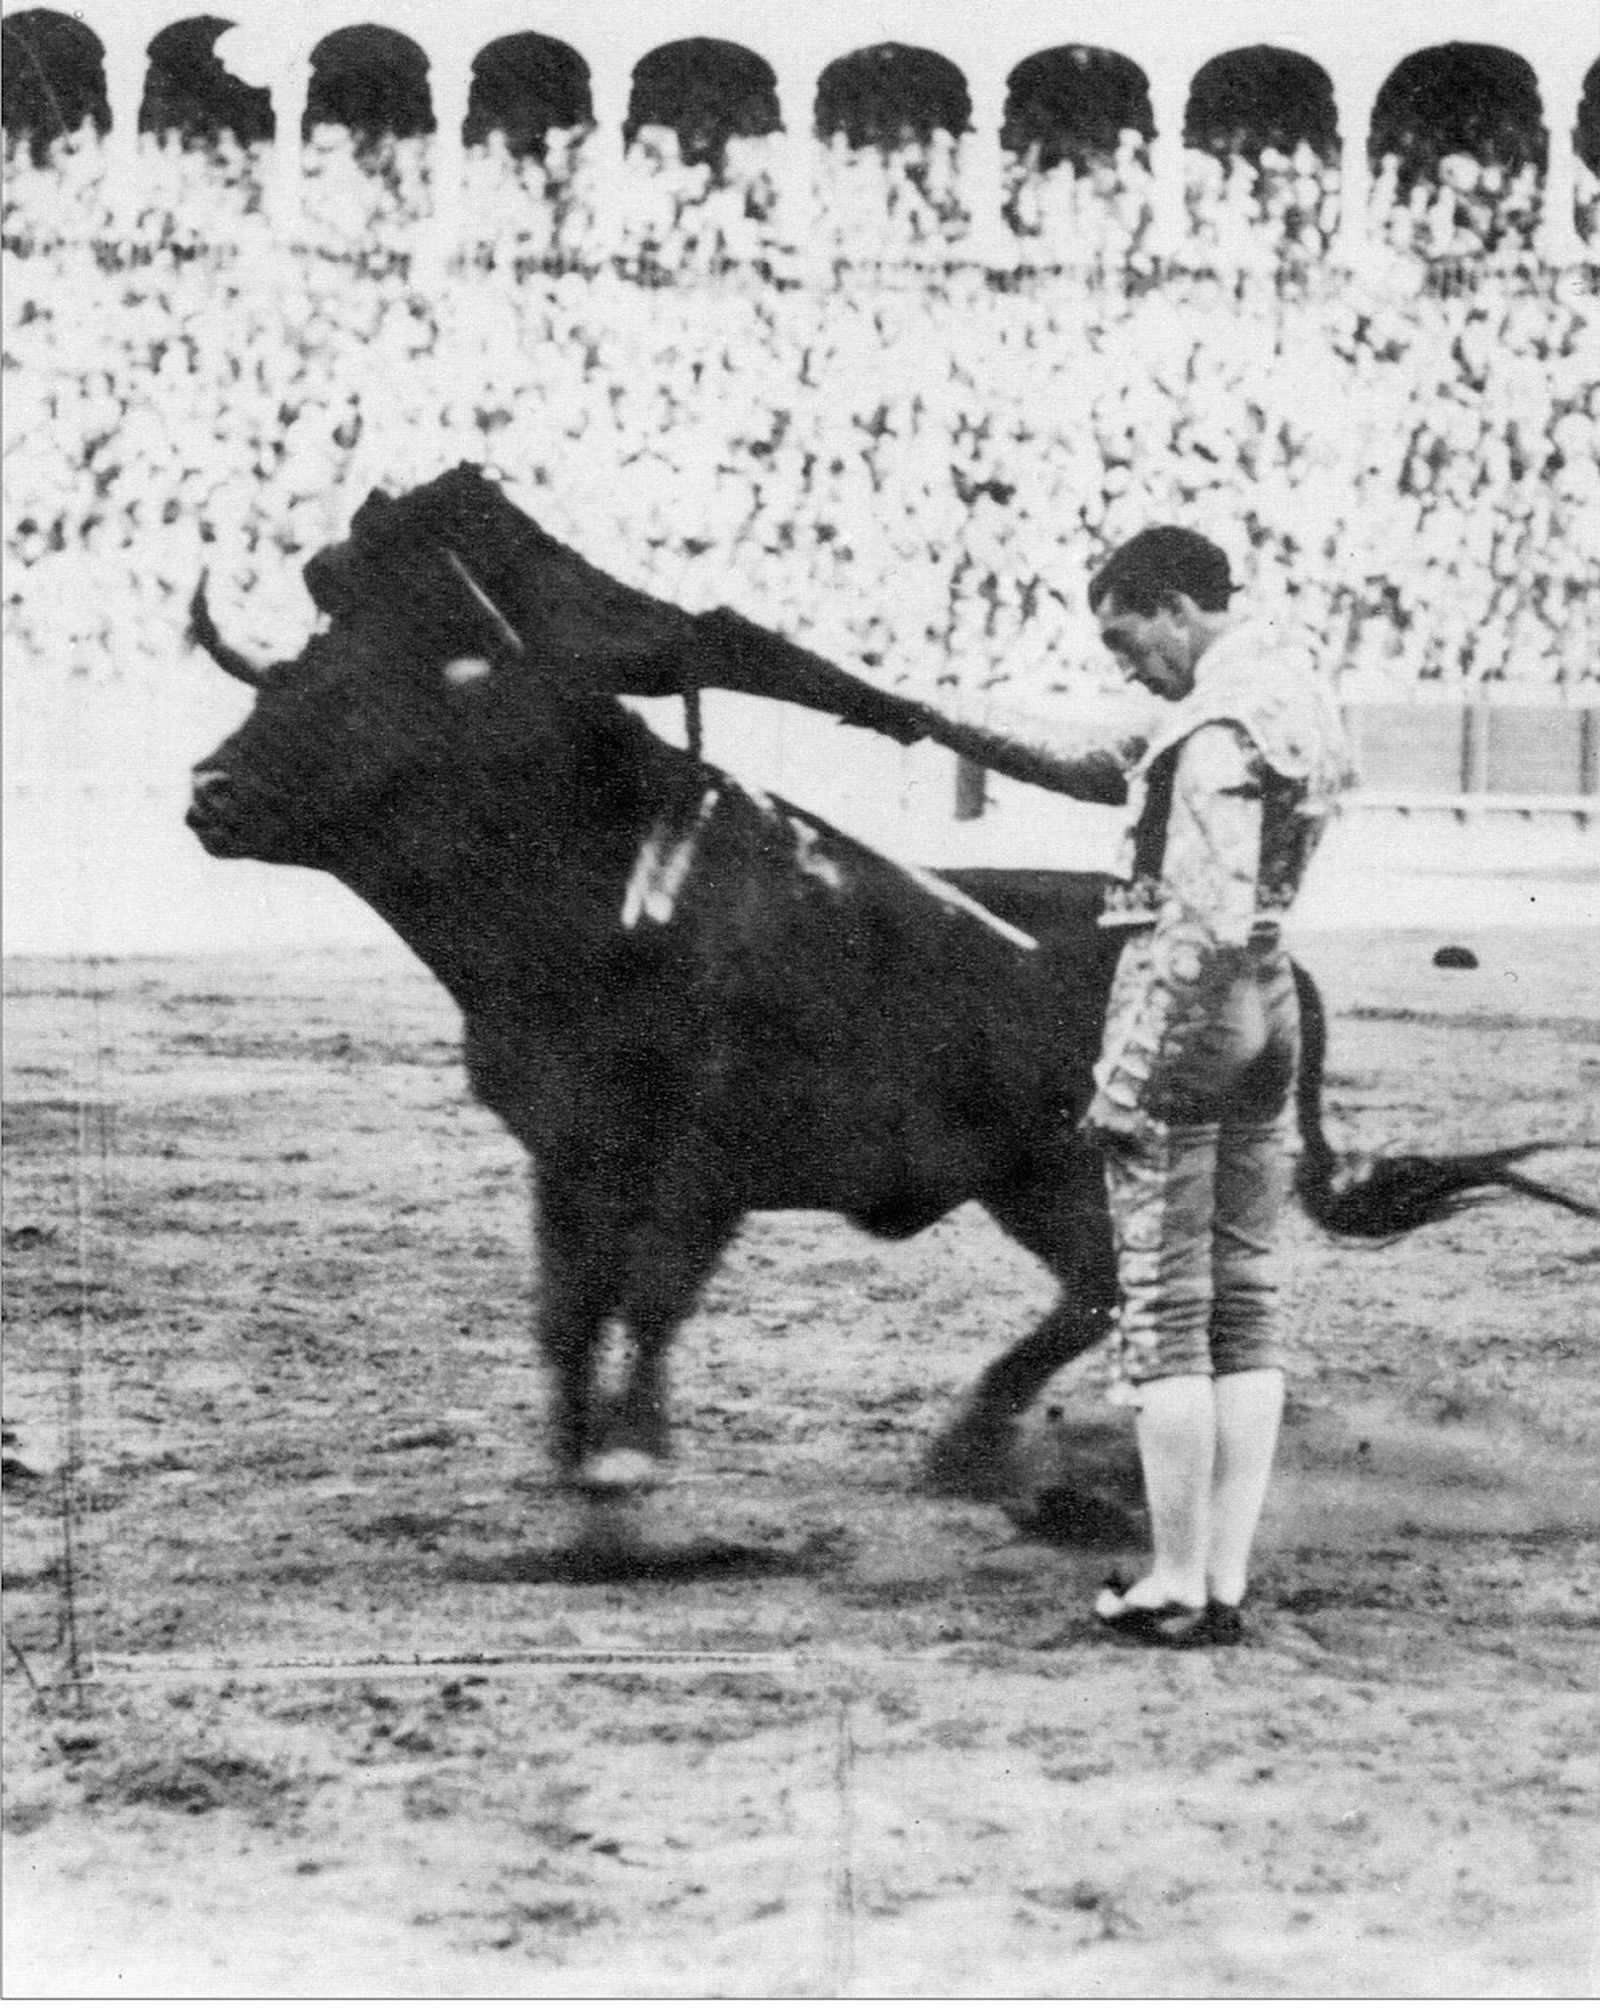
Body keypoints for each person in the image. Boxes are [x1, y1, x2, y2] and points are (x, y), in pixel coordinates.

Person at [1064, 527, 1354, 1647]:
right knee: (1245, 1292)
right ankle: (1218, 1574)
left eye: (1126, 635)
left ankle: (1174, 1580)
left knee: (1166, 1304)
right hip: (1275, 995)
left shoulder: (1209, 728)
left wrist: (1125, 1077)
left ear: (1176, 607)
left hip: (1199, 1014)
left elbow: (1203, 922)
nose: (1124, 664)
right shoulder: (1288, 684)